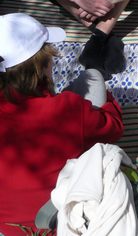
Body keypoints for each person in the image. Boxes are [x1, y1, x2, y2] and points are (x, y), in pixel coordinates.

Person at [0, 13, 124, 234]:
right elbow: (113, 127)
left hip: (7, 228)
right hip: (61, 222)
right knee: (93, 77)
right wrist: (108, 101)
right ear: (41, 66)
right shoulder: (65, 109)